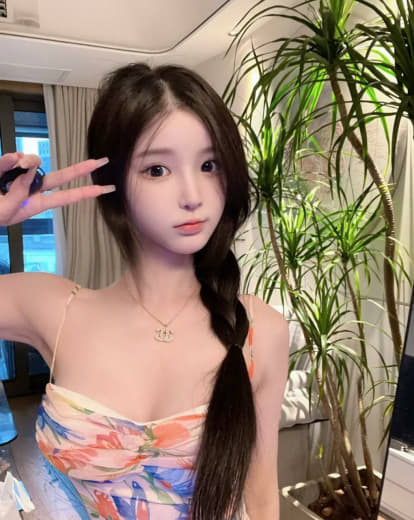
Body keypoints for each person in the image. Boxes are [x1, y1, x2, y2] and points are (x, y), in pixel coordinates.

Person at [0, 63, 289, 520]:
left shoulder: (259, 330)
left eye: (209, 165)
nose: (192, 194)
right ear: (114, 185)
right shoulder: (55, 309)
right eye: (158, 169)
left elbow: (262, 497)